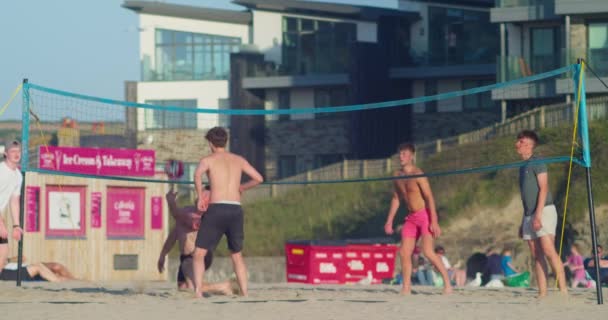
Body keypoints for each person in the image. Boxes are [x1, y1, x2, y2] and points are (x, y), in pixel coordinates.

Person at [192, 127, 263, 298]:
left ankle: (198, 292)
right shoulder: (238, 159)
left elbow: (197, 175)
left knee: (199, 254)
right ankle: (245, 293)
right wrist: (242, 187)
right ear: (226, 141)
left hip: (216, 209)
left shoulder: (208, 160)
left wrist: (201, 196)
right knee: (237, 255)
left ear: (210, 142)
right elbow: (259, 178)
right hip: (235, 209)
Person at [384, 143, 452, 295]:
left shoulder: (418, 173)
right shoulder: (397, 175)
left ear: (412, 156)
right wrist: (389, 220)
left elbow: (429, 197)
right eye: (400, 154)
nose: (401, 157)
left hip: (424, 216)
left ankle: (447, 283)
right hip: (411, 218)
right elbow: (396, 198)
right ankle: (406, 287)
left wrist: (434, 221)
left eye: (405, 154)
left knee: (428, 251)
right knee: (403, 252)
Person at [515, 130, 567, 297]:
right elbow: (526, 197)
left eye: (521, 142)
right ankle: (542, 293)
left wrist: (537, 215)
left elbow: (543, 188)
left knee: (548, 249)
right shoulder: (522, 167)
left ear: (529, 145)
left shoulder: (538, 161)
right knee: (536, 254)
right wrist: (523, 221)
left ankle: (564, 290)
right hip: (529, 214)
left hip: (544, 210)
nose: (517, 144)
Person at [157, 188, 232, 295]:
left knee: (193, 288)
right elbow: (172, 237)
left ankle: (223, 286)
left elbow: (188, 219)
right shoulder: (184, 215)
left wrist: (172, 203)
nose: (201, 197)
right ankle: (218, 288)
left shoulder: (205, 216)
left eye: (206, 197)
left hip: (196, 256)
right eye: (201, 195)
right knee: (183, 287)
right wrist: (163, 255)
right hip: (185, 258)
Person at [0, 140, 24, 271]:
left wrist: (16, 225)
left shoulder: (18, 176)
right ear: (5, 153)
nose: (16, 154)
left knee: (3, 253)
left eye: (18, 151)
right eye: (13, 151)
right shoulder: (1, 171)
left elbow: (14, 201)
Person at [0, 260, 73, 282]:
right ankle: (58, 281)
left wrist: (7, 259)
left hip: (23, 266)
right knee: (38, 267)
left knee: (56, 266)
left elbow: (23, 257)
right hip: (10, 272)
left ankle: (74, 280)